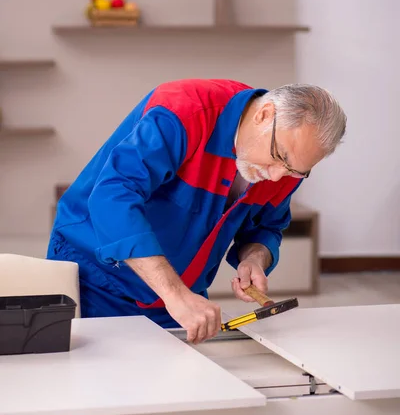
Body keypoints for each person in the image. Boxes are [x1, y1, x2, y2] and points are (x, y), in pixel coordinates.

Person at [47, 78, 346, 343]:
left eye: (296, 171)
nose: (279, 176)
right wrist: (175, 294)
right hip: (97, 276)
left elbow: (266, 227)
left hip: (180, 293)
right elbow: (113, 198)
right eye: (280, 157)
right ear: (264, 115)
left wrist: (254, 257)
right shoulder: (182, 111)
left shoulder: (284, 165)